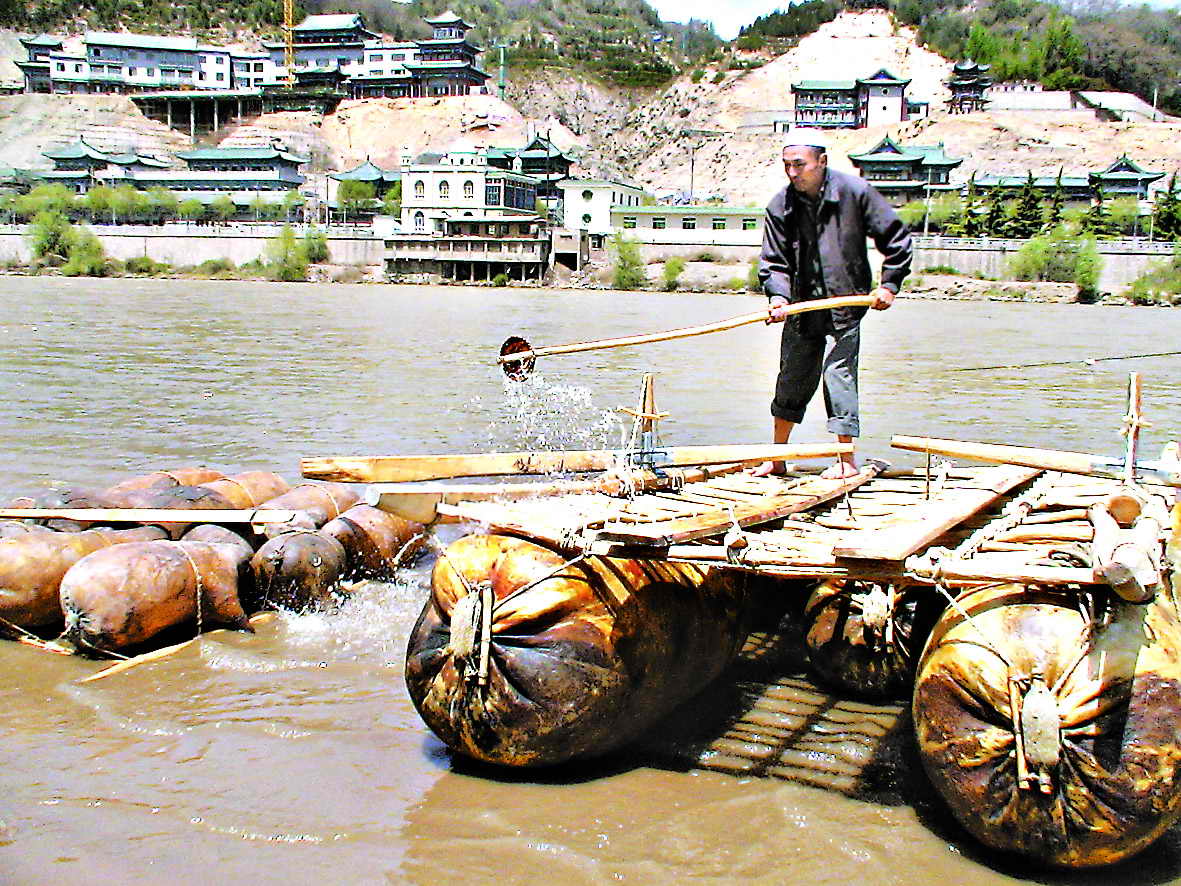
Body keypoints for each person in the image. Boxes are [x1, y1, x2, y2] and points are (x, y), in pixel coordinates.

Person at [752, 133, 913, 479]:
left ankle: (845, 460)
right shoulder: (780, 205)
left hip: (847, 303)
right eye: (787, 166)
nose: (793, 173)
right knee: (792, 377)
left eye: (800, 165)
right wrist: (778, 296)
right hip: (801, 305)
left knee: (838, 376)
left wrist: (889, 284)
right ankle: (777, 457)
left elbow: (896, 238)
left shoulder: (855, 194)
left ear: (821, 162)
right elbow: (774, 260)